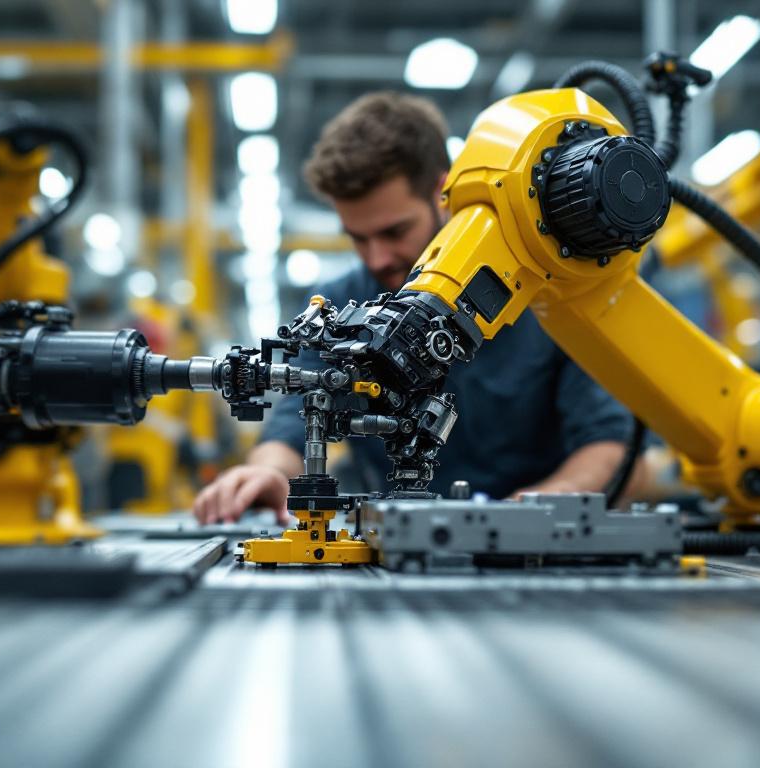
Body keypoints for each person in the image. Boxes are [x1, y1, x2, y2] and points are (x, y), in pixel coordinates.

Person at [194, 91, 644, 524]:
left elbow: (610, 444)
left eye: (393, 232)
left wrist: (540, 506)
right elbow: (293, 422)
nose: (377, 259)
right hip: (392, 548)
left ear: (444, 193)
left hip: (533, 549)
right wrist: (269, 472)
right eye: (358, 238)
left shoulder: (551, 301)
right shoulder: (339, 305)